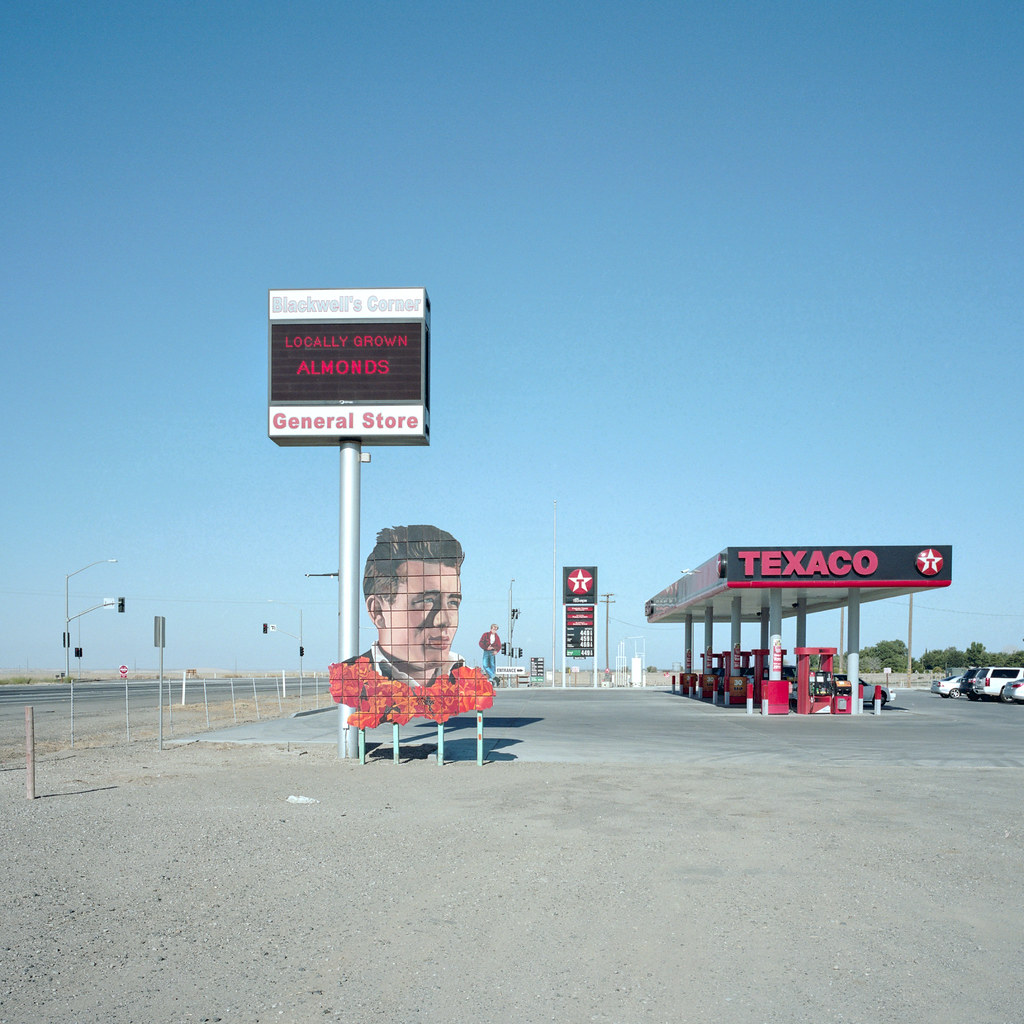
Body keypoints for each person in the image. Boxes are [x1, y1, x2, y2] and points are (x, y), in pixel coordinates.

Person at [329, 525, 493, 727]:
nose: (444, 619)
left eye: (453, 602)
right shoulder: (351, 679)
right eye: (426, 601)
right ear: (378, 611)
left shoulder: (466, 683)